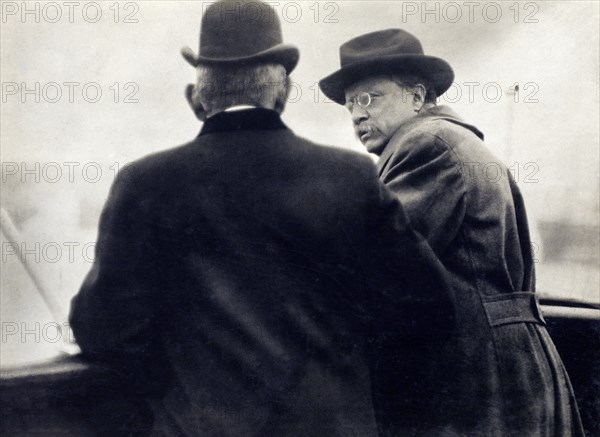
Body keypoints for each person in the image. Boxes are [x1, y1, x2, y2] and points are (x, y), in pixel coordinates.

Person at [69, 6, 453, 437]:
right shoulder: (350, 177)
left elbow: (103, 330)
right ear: (283, 92)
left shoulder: (145, 184)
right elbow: (429, 310)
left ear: (196, 99)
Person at [319, 28, 585, 437]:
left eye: (370, 97)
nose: (356, 113)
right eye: (350, 102)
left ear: (417, 97)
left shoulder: (428, 145)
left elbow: (374, 263)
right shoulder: (451, 141)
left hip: (484, 377)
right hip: (506, 367)